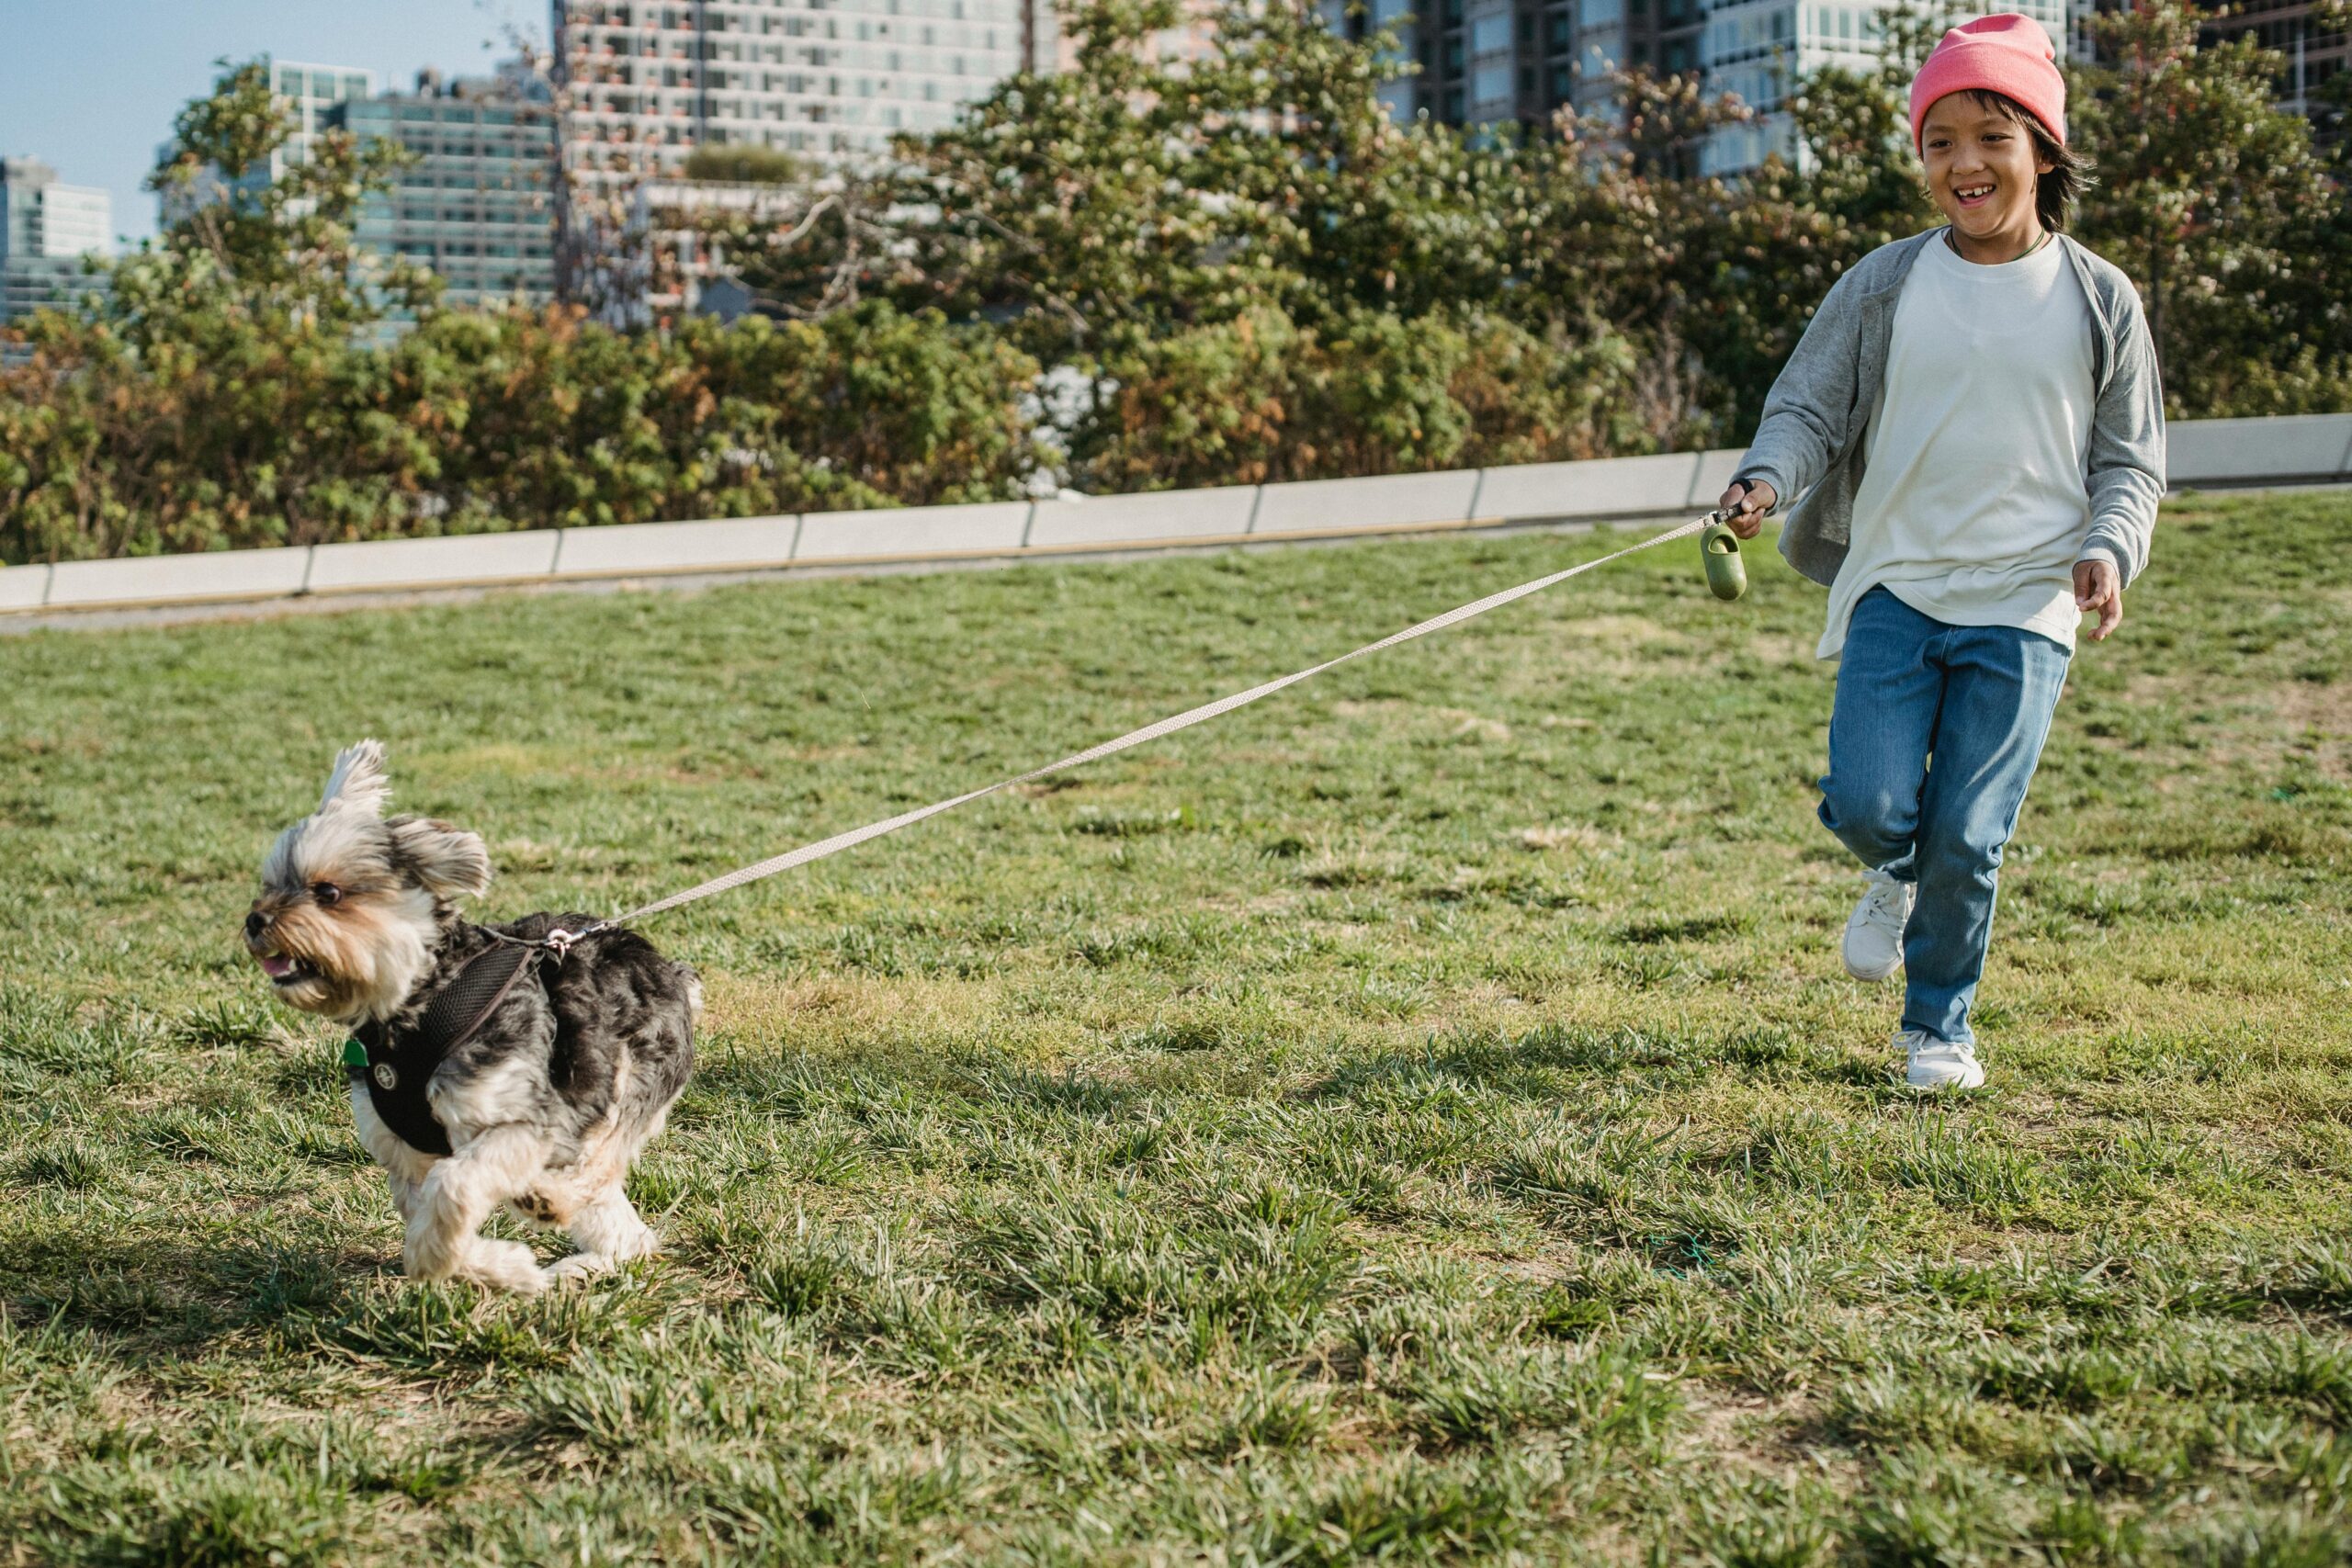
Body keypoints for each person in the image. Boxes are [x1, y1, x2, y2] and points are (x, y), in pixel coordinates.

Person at [1717, 13, 2165, 1091]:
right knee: (1873, 804)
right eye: (1939, 141)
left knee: (1971, 829)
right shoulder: (1885, 283)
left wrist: (2108, 547)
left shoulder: (2101, 298)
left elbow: (2130, 463)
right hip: (1897, 587)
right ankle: (1895, 869)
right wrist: (1766, 478)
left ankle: (1937, 1029)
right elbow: (1806, 409)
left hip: (2024, 603)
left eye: (1990, 137)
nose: (1963, 163)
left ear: (2043, 152)